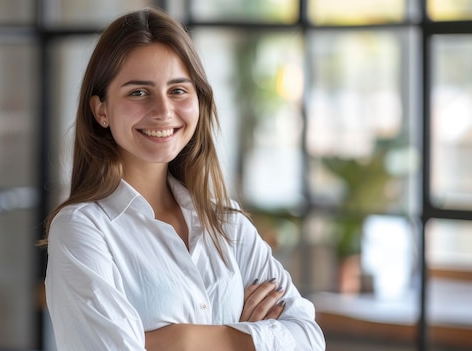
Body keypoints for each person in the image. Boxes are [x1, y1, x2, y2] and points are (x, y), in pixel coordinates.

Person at [44, 7, 325, 351]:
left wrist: (183, 339)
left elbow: (309, 339)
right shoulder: (83, 229)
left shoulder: (226, 224)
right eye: (138, 92)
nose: (163, 111)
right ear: (101, 109)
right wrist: (246, 337)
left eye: (178, 90)